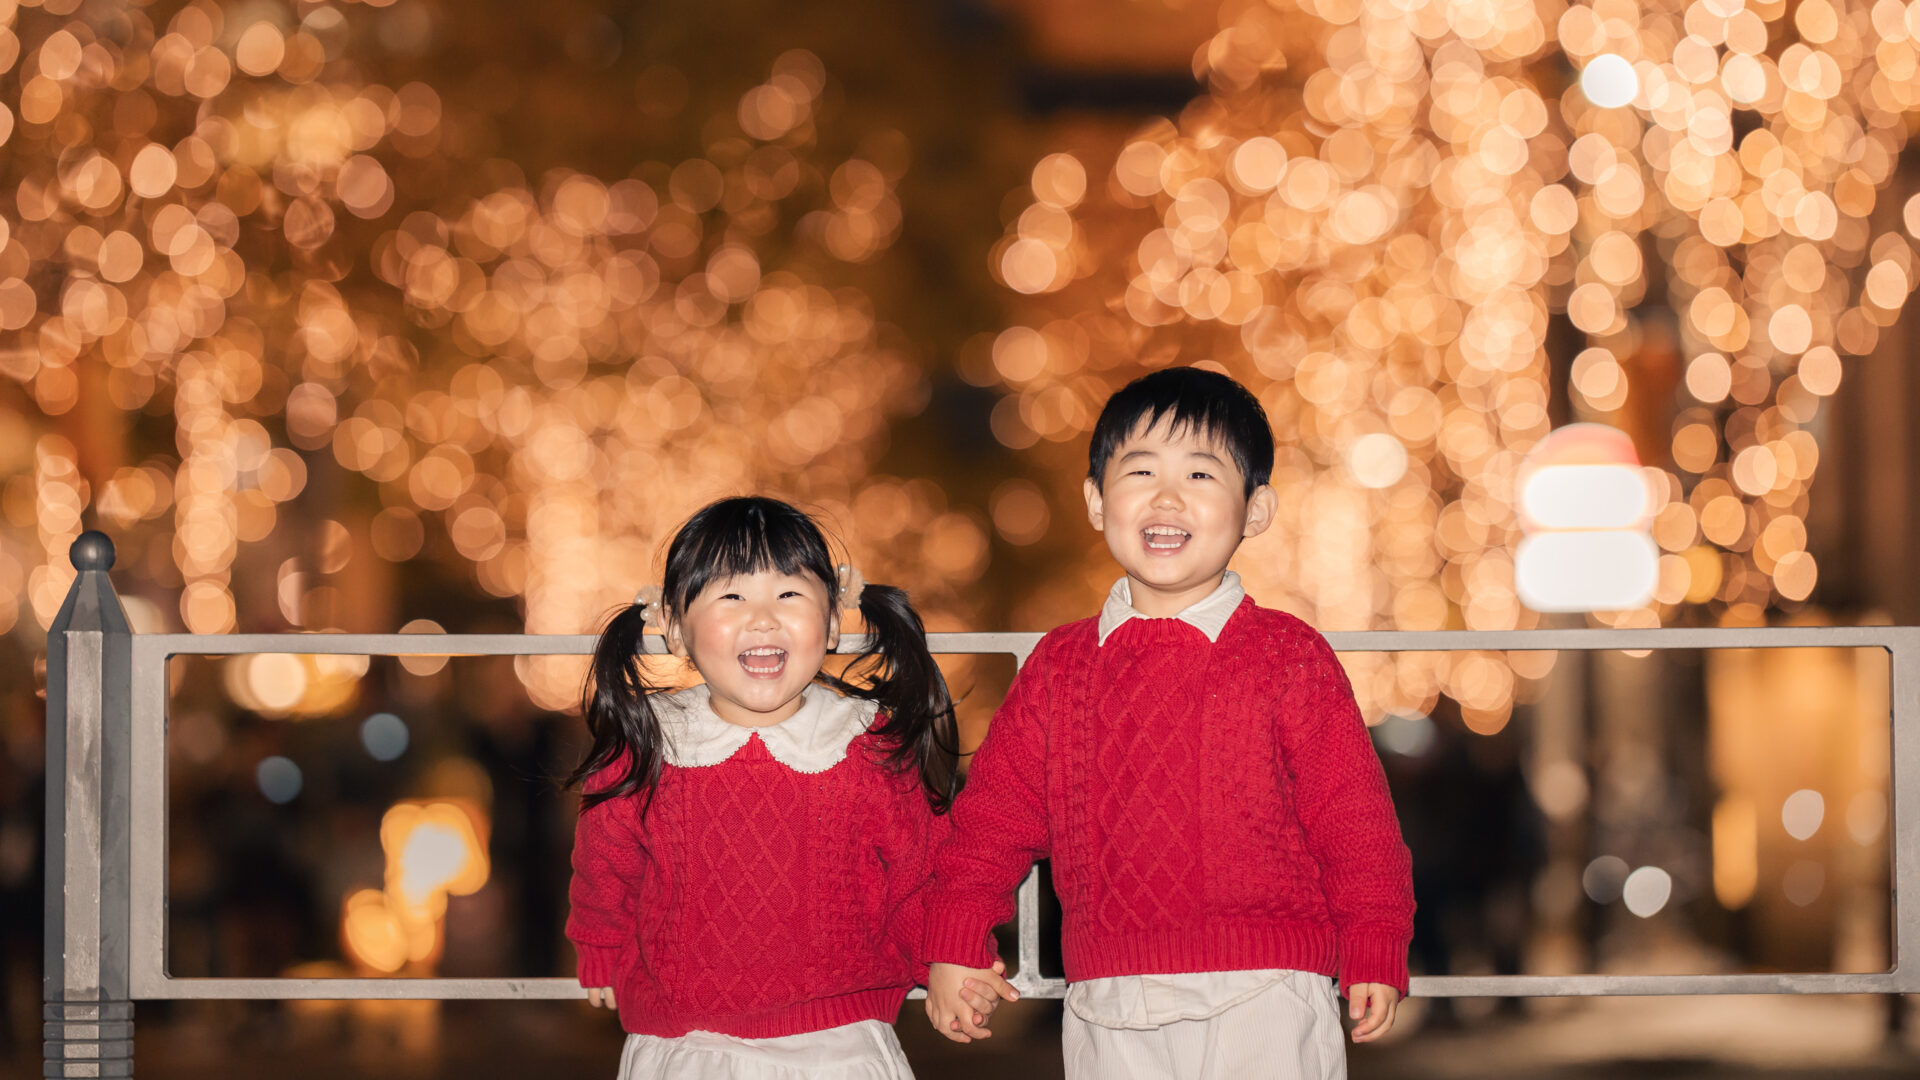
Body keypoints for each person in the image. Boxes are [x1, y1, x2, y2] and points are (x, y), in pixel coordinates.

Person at [923, 368, 1415, 1079]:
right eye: (1140, 470)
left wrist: (1374, 940)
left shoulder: (1288, 656)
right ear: (1096, 500)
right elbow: (992, 821)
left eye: (1202, 474)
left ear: (1256, 510)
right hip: (1107, 1000)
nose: (1167, 495)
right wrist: (956, 938)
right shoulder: (1060, 667)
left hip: (1267, 993)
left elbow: (1354, 819)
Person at [567, 496, 998, 1079]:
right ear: (673, 626)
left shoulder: (868, 746)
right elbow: (606, 864)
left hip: (840, 1047)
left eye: (789, 593)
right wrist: (599, 942)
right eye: (731, 595)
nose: (763, 618)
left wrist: (952, 958)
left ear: (833, 618)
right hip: (685, 1046)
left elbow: (920, 877)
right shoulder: (646, 746)